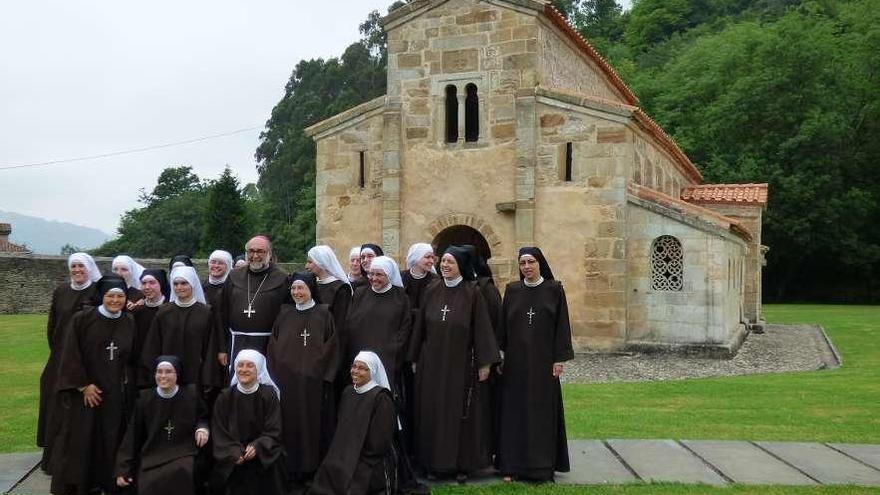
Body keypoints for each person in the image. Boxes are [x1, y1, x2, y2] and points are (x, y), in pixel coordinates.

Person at [408, 246, 500, 482]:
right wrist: (415, 357)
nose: (445, 265)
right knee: (432, 412)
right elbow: (421, 328)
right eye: (443, 261)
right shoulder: (432, 289)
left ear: (461, 265)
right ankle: (432, 463)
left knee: (459, 414)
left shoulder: (472, 293)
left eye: (451, 262)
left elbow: (482, 329)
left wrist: (485, 364)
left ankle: (461, 465)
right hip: (432, 364)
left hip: (461, 365)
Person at [49, 275, 137, 495]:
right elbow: (70, 354)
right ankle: (81, 484)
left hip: (114, 393)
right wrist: (84, 385)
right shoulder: (82, 319)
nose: (115, 300)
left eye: (120, 296)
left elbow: (130, 358)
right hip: (87, 393)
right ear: (101, 297)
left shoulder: (128, 321)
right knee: (82, 439)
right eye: (110, 296)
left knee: (110, 438)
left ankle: (106, 482)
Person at [497, 247, 574, 482]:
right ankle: (511, 466)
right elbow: (503, 326)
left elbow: (562, 326)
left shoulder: (554, 290)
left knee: (542, 414)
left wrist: (559, 359)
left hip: (543, 364)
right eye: (522, 263)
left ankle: (542, 467)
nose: (527, 267)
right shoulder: (512, 290)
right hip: (516, 364)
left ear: (540, 263)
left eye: (531, 262)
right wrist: (501, 355)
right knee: (514, 414)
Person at [267, 272, 339, 490]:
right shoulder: (284, 313)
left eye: (302, 289)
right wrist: (277, 374)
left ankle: (312, 469)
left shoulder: (324, 314)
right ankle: (291, 468)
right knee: (289, 425)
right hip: (287, 383)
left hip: (313, 385)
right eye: (294, 289)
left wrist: (321, 376)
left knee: (313, 425)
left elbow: (332, 348)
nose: (297, 293)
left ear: (311, 290)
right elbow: (273, 346)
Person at [38, 252, 101, 472]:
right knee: (56, 406)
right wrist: (58, 351)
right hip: (59, 356)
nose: (77, 270)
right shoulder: (61, 291)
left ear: (89, 268)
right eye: (73, 266)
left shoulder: (96, 291)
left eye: (81, 267)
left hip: (85, 357)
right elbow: (52, 323)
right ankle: (54, 458)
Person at [116, 356, 210, 495]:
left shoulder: (191, 394)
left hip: (183, 452)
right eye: (159, 372)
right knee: (148, 481)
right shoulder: (145, 399)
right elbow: (132, 436)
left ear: (177, 374)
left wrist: (202, 429)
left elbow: (203, 417)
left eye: (168, 372)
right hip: (153, 453)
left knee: (183, 472)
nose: (163, 376)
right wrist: (122, 469)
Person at [309, 351, 396, 495]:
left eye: (361, 368)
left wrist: (354, 454)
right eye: (354, 366)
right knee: (328, 471)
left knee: (351, 480)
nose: (355, 371)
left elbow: (379, 442)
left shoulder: (381, 399)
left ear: (372, 371)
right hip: (344, 452)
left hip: (368, 458)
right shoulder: (348, 392)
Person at [211, 350, 286, 495]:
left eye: (249, 366)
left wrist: (258, 446)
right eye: (240, 365)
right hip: (233, 455)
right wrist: (233, 452)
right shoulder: (225, 397)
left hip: (262, 454)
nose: (244, 369)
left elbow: (274, 430)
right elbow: (219, 431)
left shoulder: (269, 395)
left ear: (258, 369)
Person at [141, 266, 222, 392]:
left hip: (195, 375)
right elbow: (153, 346)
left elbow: (210, 349)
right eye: (176, 283)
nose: (179, 287)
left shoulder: (206, 313)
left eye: (184, 283)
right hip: (167, 375)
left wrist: (208, 378)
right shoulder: (163, 312)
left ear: (192, 284)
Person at [220, 235, 289, 370]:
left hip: (268, 344)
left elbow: (287, 318)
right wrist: (222, 348)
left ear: (269, 254)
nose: (255, 255)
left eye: (260, 251)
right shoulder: (234, 276)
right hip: (236, 342)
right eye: (251, 251)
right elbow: (222, 313)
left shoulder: (282, 278)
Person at [344, 256, 411, 393]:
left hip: (387, 358)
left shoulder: (401, 297)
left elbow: (404, 329)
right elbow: (350, 323)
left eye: (379, 274)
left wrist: (394, 352)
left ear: (389, 275)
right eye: (371, 274)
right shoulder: (360, 293)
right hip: (360, 357)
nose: (374, 278)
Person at [133, 269, 170, 385]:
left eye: (152, 283)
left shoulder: (170, 309)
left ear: (161, 284)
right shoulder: (137, 311)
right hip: (141, 369)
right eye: (143, 283)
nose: (147, 287)